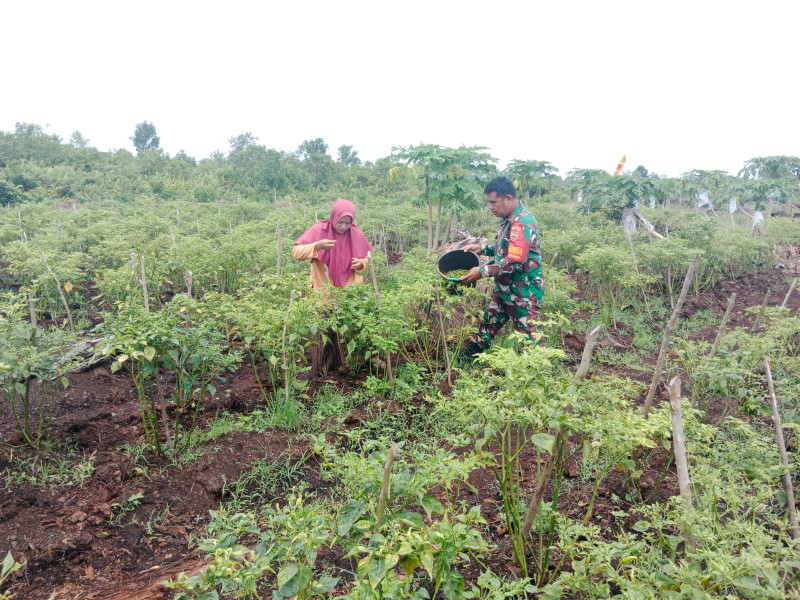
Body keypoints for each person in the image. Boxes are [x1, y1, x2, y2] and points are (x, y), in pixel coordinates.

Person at [458, 176, 544, 362]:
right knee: (489, 321)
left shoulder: (522, 222)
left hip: (523, 291)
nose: (490, 207)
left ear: (508, 198)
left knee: (529, 334)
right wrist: (482, 247)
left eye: (493, 202)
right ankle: (470, 357)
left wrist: (481, 271)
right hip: (506, 287)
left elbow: (514, 261)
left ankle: (539, 373)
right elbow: (503, 248)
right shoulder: (508, 218)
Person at [293, 199, 373, 290]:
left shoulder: (355, 233)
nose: (343, 227)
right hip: (323, 288)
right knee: (323, 302)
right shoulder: (319, 230)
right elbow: (296, 252)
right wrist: (317, 246)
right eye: (340, 222)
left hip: (349, 290)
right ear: (334, 217)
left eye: (348, 223)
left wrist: (361, 263)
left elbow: (365, 256)